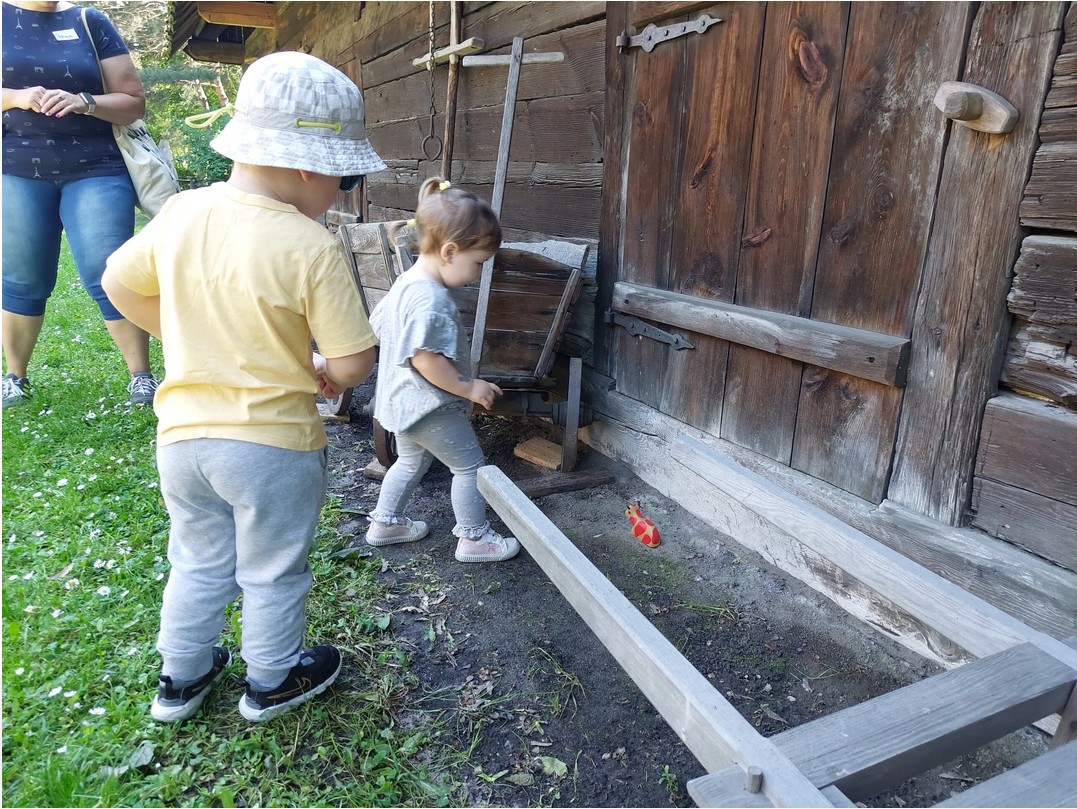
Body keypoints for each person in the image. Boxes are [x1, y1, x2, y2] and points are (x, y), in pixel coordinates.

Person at [101, 51, 384, 723]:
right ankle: (271, 680)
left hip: (184, 443)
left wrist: (191, 337)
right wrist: (320, 368)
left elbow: (116, 283)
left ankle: (180, 678)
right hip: (272, 447)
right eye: (343, 181)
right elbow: (353, 361)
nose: (339, 195)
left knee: (197, 559)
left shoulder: (181, 211)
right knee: (272, 568)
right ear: (310, 166)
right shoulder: (308, 243)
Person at [1, 0, 160, 408]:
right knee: (22, 277)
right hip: (15, 169)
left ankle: (141, 376)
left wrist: (84, 101)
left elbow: (133, 102)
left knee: (112, 272)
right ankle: (15, 377)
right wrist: (17, 97)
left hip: (97, 168)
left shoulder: (89, 20)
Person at [364, 178, 521, 565]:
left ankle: (386, 523)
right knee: (470, 467)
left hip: (401, 400)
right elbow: (426, 360)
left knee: (411, 461)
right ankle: (474, 539)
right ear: (450, 252)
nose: (478, 274)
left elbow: (379, 326)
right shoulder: (432, 300)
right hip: (428, 405)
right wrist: (468, 387)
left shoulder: (405, 283)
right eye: (478, 264)